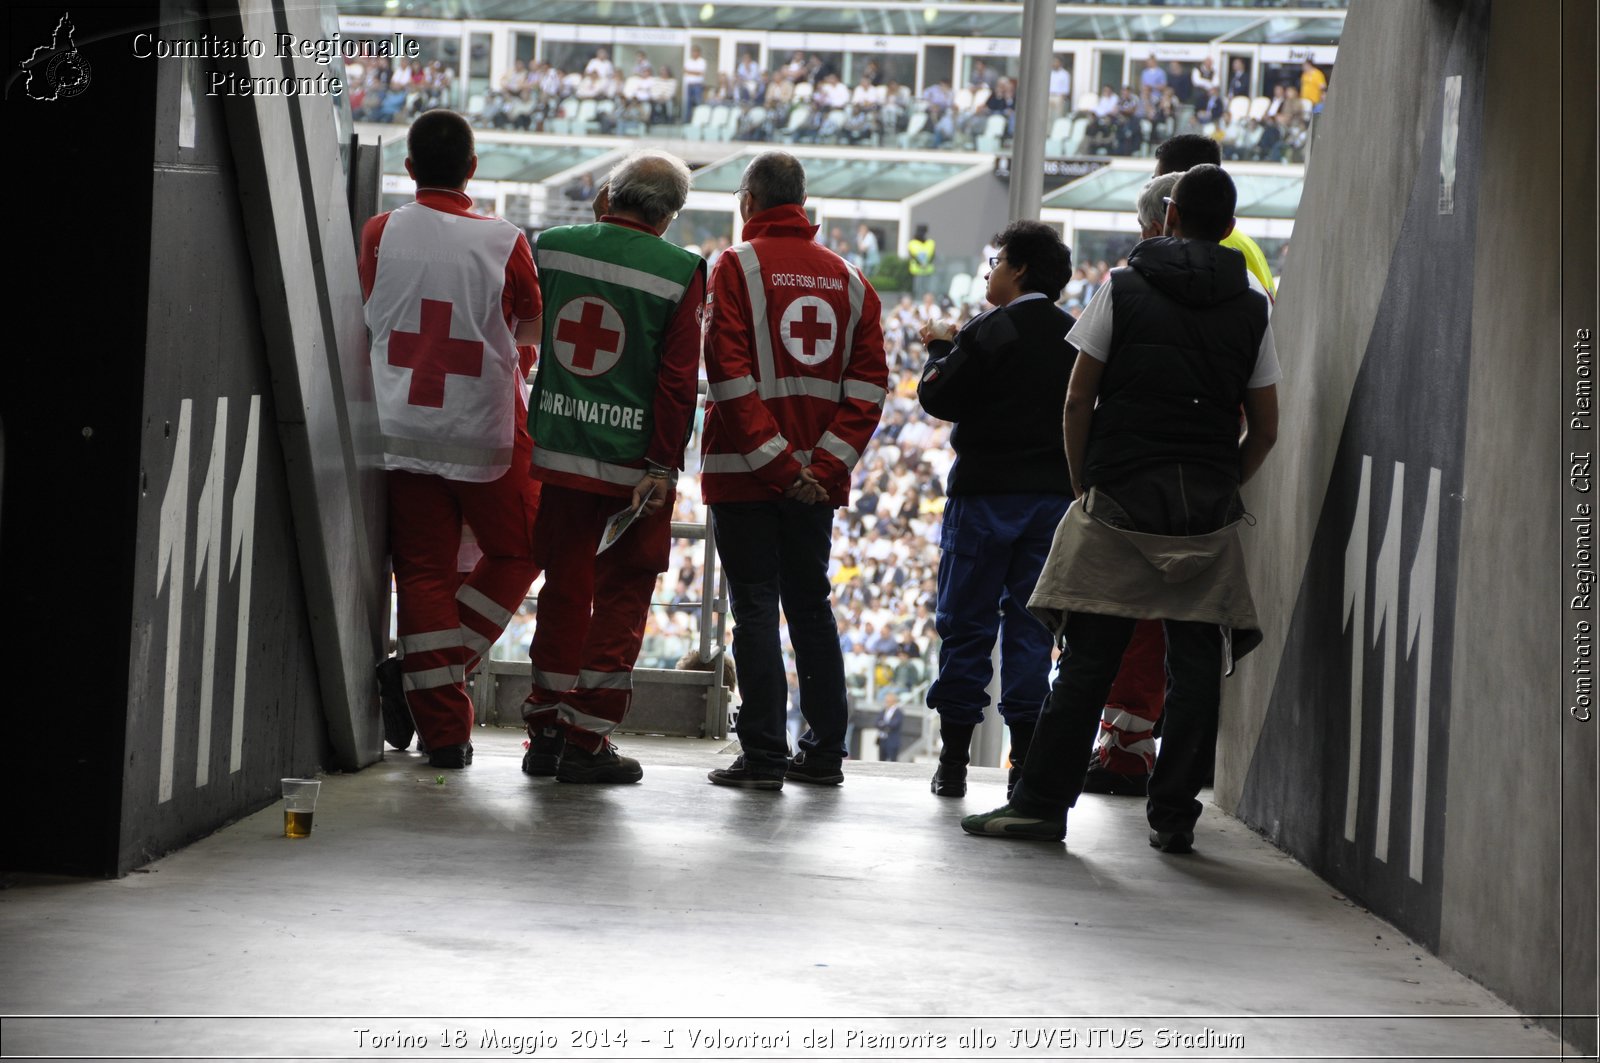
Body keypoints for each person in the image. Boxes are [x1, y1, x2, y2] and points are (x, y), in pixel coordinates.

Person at [962, 164, 1280, 852]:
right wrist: (1227, 482)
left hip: (1120, 495)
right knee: (1194, 663)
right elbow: (1268, 424)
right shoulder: (1254, 304)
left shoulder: (1123, 288)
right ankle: (1172, 816)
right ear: (1229, 229)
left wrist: (1084, 482)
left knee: (1087, 658)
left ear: (1167, 219)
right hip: (1204, 508)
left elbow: (1078, 397)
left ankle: (1044, 804)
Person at [359, 109, 543, 770]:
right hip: (486, 428)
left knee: (424, 573)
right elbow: (529, 336)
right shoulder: (506, 240)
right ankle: (421, 674)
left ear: (409, 170)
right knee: (523, 547)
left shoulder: (381, 232)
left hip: (400, 424)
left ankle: (445, 733)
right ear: (472, 168)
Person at [701, 150, 887, 790]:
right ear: (802, 204)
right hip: (815, 485)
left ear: (748, 203)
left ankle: (762, 757)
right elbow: (868, 390)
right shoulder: (852, 280)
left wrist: (778, 467)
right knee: (811, 608)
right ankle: (825, 752)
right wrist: (818, 468)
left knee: (754, 609)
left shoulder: (734, 266)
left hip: (744, 475)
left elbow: (727, 375)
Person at [520, 151, 706, 784]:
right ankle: (587, 738)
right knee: (622, 595)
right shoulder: (682, 270)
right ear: (671, 214)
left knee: (563, 590)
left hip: (559, 454)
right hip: (634, 470)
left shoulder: (554, 245)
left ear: (610, 194)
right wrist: (662, 464)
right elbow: (678, 380)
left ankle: (543, 728)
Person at [916, 221, 1076, 799]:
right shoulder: (1076, 334)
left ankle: (954, 763)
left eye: (997, 262)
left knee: (966, 625)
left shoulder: (989, 330)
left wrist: (939, 345)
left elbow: (938, 395)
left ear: (1021, 269)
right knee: (1033, 631)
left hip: (984, 501)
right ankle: (1024, 768)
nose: (990, 272)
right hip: (1054, 505)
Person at [1155, 134, 1277, 300]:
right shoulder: (1240, 244)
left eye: (1157, 180)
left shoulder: (1212, 251)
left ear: (1178, 183)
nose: (1152, 188)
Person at [907, 224, 937, 298]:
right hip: (919, 271)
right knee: (919, 290)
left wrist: (922, 263)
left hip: (924, 270)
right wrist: (924, 263)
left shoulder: (913, 243)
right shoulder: (913, 243)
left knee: (924, 291)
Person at [874, 693, 905, 762]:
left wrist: (883, 724)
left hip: (892, 741)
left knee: (893, 760)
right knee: (881, 760)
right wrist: (885, 725)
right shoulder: (883, 710)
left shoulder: (898, 712)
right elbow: (876, 722)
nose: (886, 703)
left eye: (888, 701)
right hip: (882, 740)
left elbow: (893, 725)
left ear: (893, 701)